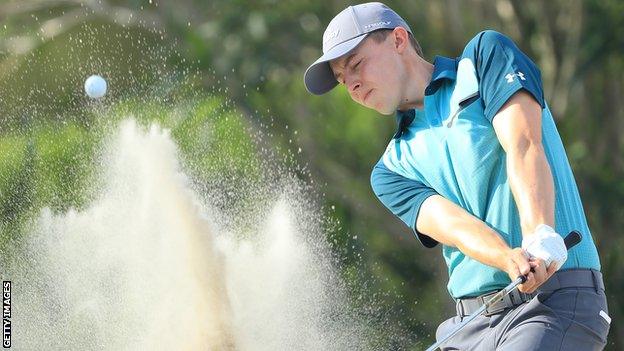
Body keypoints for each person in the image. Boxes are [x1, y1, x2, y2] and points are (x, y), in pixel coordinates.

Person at [303, 2, 610, 350]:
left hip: (552, 304)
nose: (353, 86)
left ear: (398, 40)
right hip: (470, 326)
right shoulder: (389, 169)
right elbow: (456, 228)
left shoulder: (483, 59)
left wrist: (539, 233)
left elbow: (524, 144)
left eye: (356, 65)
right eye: (344, 81)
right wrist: (508, 258)